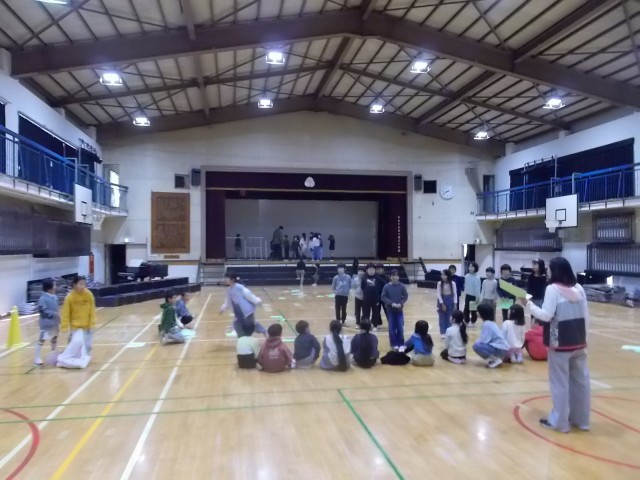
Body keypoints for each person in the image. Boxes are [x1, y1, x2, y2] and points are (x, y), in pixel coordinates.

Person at [525, 257, 590, 433]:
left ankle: (560, 422)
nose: (547, 271)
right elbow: (586, 315)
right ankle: (582, 421)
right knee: (581, 383)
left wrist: (529, 305)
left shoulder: (552, 289)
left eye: (549, 269)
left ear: (555, 271)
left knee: (559, 383)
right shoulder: (579, 288)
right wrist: (585, 339)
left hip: (559, 343)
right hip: (579, 341)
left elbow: (546, 315)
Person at [61, 275, 96, 355]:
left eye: (84, 284)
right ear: (74, 285)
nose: (83, 286)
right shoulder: (69, 297)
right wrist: (64, 327)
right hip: (75, 327)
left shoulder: (89, 295)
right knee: (75, 345)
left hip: (87, 326)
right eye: (80, 284)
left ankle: (85, 359)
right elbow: (65, 313)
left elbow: (92, 310)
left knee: (88, 346)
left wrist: (92, 323)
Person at [473, 303, 509, 368]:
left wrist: (477, 342)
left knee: (476, 346)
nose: (477, 312)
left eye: (478, 311)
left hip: (500, 350)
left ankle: (496, 359)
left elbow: (484, 340)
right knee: (478, 344)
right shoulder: (490, 323)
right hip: (501, 349)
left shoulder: (487, 324)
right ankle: (494, 359)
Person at [381, 269, 409, 350]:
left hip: (399, 310)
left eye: (396, 276)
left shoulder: (402, 286)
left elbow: (405, 296)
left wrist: (401, 303)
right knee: (391, 328)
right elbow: (383, 297)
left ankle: (401, 343)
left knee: (400, 326)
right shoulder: (386, 287)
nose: (395, 277)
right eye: (393, 276)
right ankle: (393, 343)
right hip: (390, 310)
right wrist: (391, 303)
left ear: (398, 277)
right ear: (390, 277)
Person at [35, 278, 60, 366]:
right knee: (42, 339)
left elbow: (57, 309)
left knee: (54, 338)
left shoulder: (55, 297)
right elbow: (42, 311)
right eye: (54, 285)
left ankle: (53, 355)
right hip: (46, 323)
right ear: (49, 288)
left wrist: (58, 318)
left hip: (54, 323)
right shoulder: (43, 298)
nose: (55, 287)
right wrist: (52, 315)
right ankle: (37, 357)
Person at [362, 263, 384, 331]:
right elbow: (362, 287)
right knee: (366, 313)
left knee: (375, 313)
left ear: (374, 270)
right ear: (367, 270)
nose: (371, 271)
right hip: (366, 299)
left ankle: (375, 325)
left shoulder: (378, 278)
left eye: (373, 269)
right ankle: (366, 326)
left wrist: (379, 295)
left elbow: (383, 285)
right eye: (370, 269)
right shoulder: (364, 278)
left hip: (376, 299)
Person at [436, 269, 458, 337]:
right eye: (442, 275)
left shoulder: (453, 283)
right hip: (442, 300)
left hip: (450, 301)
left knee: (449, 317)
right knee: (442, 317)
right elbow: (438, 294)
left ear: (448, 276)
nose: (443, 276)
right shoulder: (439, 283)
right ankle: (442, 332)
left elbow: (455, 294)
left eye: (445, 275)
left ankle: (448, 331)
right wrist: (442, 304)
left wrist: (455, 303)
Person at [463, 262, 481, 326]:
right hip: (467, 295)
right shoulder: (467, 276)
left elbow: (477, 288)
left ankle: (473, 321)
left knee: (473, 310)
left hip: (474, 296)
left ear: (475, 268)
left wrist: (477, 297)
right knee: (466, 309)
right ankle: (466, 321)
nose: (470, 268)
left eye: (472, 267)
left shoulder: (477, 277)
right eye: (470, 266)